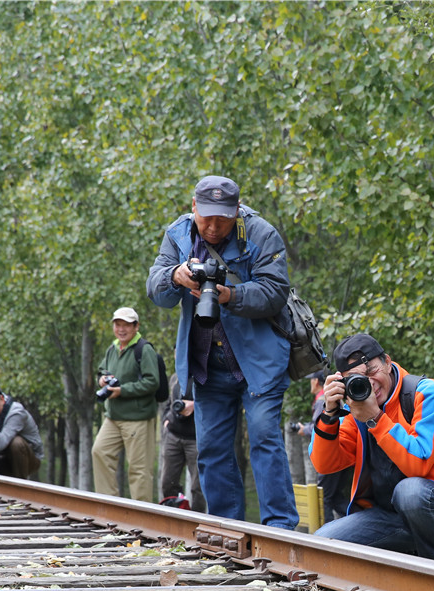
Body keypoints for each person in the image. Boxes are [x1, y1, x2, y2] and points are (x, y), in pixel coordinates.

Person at [146, 175, 298, 530]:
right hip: (207, 365)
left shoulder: (261, 233)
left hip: (259, 362)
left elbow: (276, 291)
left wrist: (231, 295)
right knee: (211, 449)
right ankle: (227, 531)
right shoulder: (178, 234)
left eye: (223, 218)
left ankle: (280, 531)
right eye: (207, 217)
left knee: (264, 438)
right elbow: (156, 290)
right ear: (194, 207)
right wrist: (174, 275)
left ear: (236, 211)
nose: (214, 227)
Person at [309, 333, 434, 563]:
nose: (370, 384)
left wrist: (375, 418)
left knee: (410, 491)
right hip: (392, 516)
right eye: (356, 380)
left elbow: (419, 462)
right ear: (343, 383)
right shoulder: (357, 409)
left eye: (372, 371)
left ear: (387, 362)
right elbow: (325, 464)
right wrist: (329, 415)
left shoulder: (426, 393)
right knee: (322, 542)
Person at [91, 306, 161, 502]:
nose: (121, 329)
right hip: (112, 417)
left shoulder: (144, 349)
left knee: (139, 469)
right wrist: (102, 381)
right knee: (100, 452)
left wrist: (123, 391)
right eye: (118, 325)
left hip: (137, 418)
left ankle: (143, 517)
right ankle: (110, 507)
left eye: (126, 326)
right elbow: (101, 371)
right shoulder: (112, 348)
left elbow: (152, 382)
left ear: (136, 327)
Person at [290, 369, 348, 522]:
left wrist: (305, 429)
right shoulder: (333, 397)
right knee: (334, 497)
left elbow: (321, 426)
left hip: (328, 453)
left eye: (311, 380)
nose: (311, 383)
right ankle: (356, 520)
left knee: (324, 497)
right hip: (341, 451)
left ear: (316, 382)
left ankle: (326, 536)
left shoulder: (322, 400)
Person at [159, 373, 206, 511]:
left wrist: (195, 405)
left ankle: (198, 522)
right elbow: (169, 403)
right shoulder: (176, 376)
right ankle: (174, 518)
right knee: (168, 483)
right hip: (173, 436)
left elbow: (215, 404)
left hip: (196, 439)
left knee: (198, 488)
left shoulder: (204, 376)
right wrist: (166, 420)